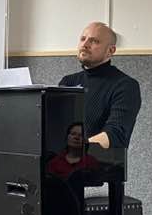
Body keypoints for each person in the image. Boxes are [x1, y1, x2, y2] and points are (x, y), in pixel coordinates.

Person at [58, 21, 141, 149]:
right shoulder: (68, 82)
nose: (85, 45)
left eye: (94, 41)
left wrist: (78, 149)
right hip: (62, 159)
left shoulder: (125, 86)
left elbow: (115, 134)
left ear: (110, 50)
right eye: (83, 39)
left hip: (99, 160)